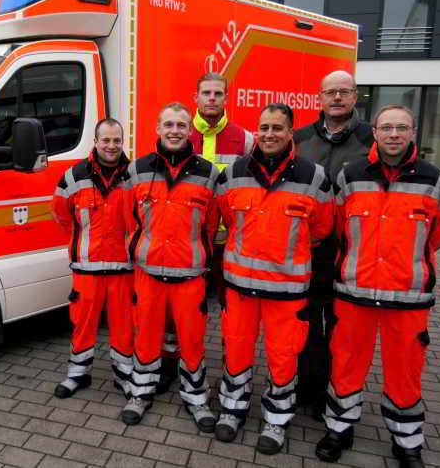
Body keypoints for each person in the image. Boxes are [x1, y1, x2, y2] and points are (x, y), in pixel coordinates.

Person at [315, 105, 440, 468]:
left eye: (401, 128)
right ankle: (339, 428)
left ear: (413, 132)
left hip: (408, 298)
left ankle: (407, 441)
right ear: (374, 132)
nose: (394, 134)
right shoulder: (350, 176)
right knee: (345, 364)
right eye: (387, 127)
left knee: (405, 372)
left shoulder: (435, 180)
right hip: (353, 292)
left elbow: (439, 236)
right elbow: (337, 225)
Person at [214, 103, 334, 455]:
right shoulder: (234, 172)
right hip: (240, 287)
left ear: (290, 132)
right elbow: (224, 216)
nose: (269, 134)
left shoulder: (314, 176)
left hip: (287, 291)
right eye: (264, 127)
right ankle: (233, 409)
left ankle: (276, 419)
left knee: (283, 357)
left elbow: (323, 228)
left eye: (277, 128)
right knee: (236, 351)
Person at [121, 102, 219, 432]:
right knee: (146, 337)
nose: (175, 130)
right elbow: (128, 217)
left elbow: (214, 222)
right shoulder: (137, 169)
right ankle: (140, 392)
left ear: (190, 130)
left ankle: (196, 397)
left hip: (189, 274)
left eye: (181, 125)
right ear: (157, 129)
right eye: (168, 125)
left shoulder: (208, 172)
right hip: (148, 273)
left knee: (191, 340)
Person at [156, 73, 254, 395]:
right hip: (187, 241)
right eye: (206, 93)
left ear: (227, 97)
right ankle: (170, 365)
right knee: (176, 313)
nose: (212, 98)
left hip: (228, 243)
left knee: (231, 311)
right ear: (195, 97)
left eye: (218, 93)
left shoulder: (245, 140)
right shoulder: (179, 134)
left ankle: (232, 370)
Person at [293, 70, 374, 419]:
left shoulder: (372, 140)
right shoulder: (301, 138)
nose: (337, 98)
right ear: (320, 98)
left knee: (341, 330)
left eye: (344, 92)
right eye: (331, 92)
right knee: (306, 323)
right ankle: (306, 388)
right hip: (307, 251)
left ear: (355, 96)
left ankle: (335, 393)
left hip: (350, 253)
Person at [51, 118, 135, 399]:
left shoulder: (134, 175)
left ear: (122, 142)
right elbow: (62, 215)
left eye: (116, 140)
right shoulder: (73, 176)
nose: (111, 146)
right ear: (96, 142)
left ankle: (124, 374)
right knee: (82, 322)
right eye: (106, 140)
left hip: (123, 267)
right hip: (86, 267)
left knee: (124, 323)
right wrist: (82, 240)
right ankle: (77, 373)